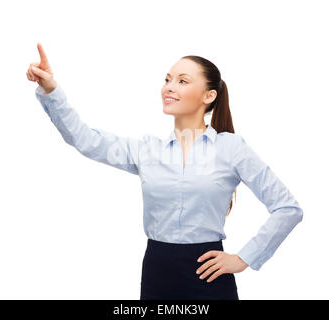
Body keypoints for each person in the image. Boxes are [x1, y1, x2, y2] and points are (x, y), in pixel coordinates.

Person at [27, 43, 304, 300]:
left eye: (182, 81)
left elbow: (287, 208)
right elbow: (85, 139)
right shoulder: (148, 151)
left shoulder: (230, 148)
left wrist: (244, 258)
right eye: (168, 79)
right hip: (157, 274)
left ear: (209, 95)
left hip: (209, 276)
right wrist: (51, 90)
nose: (169, 87)